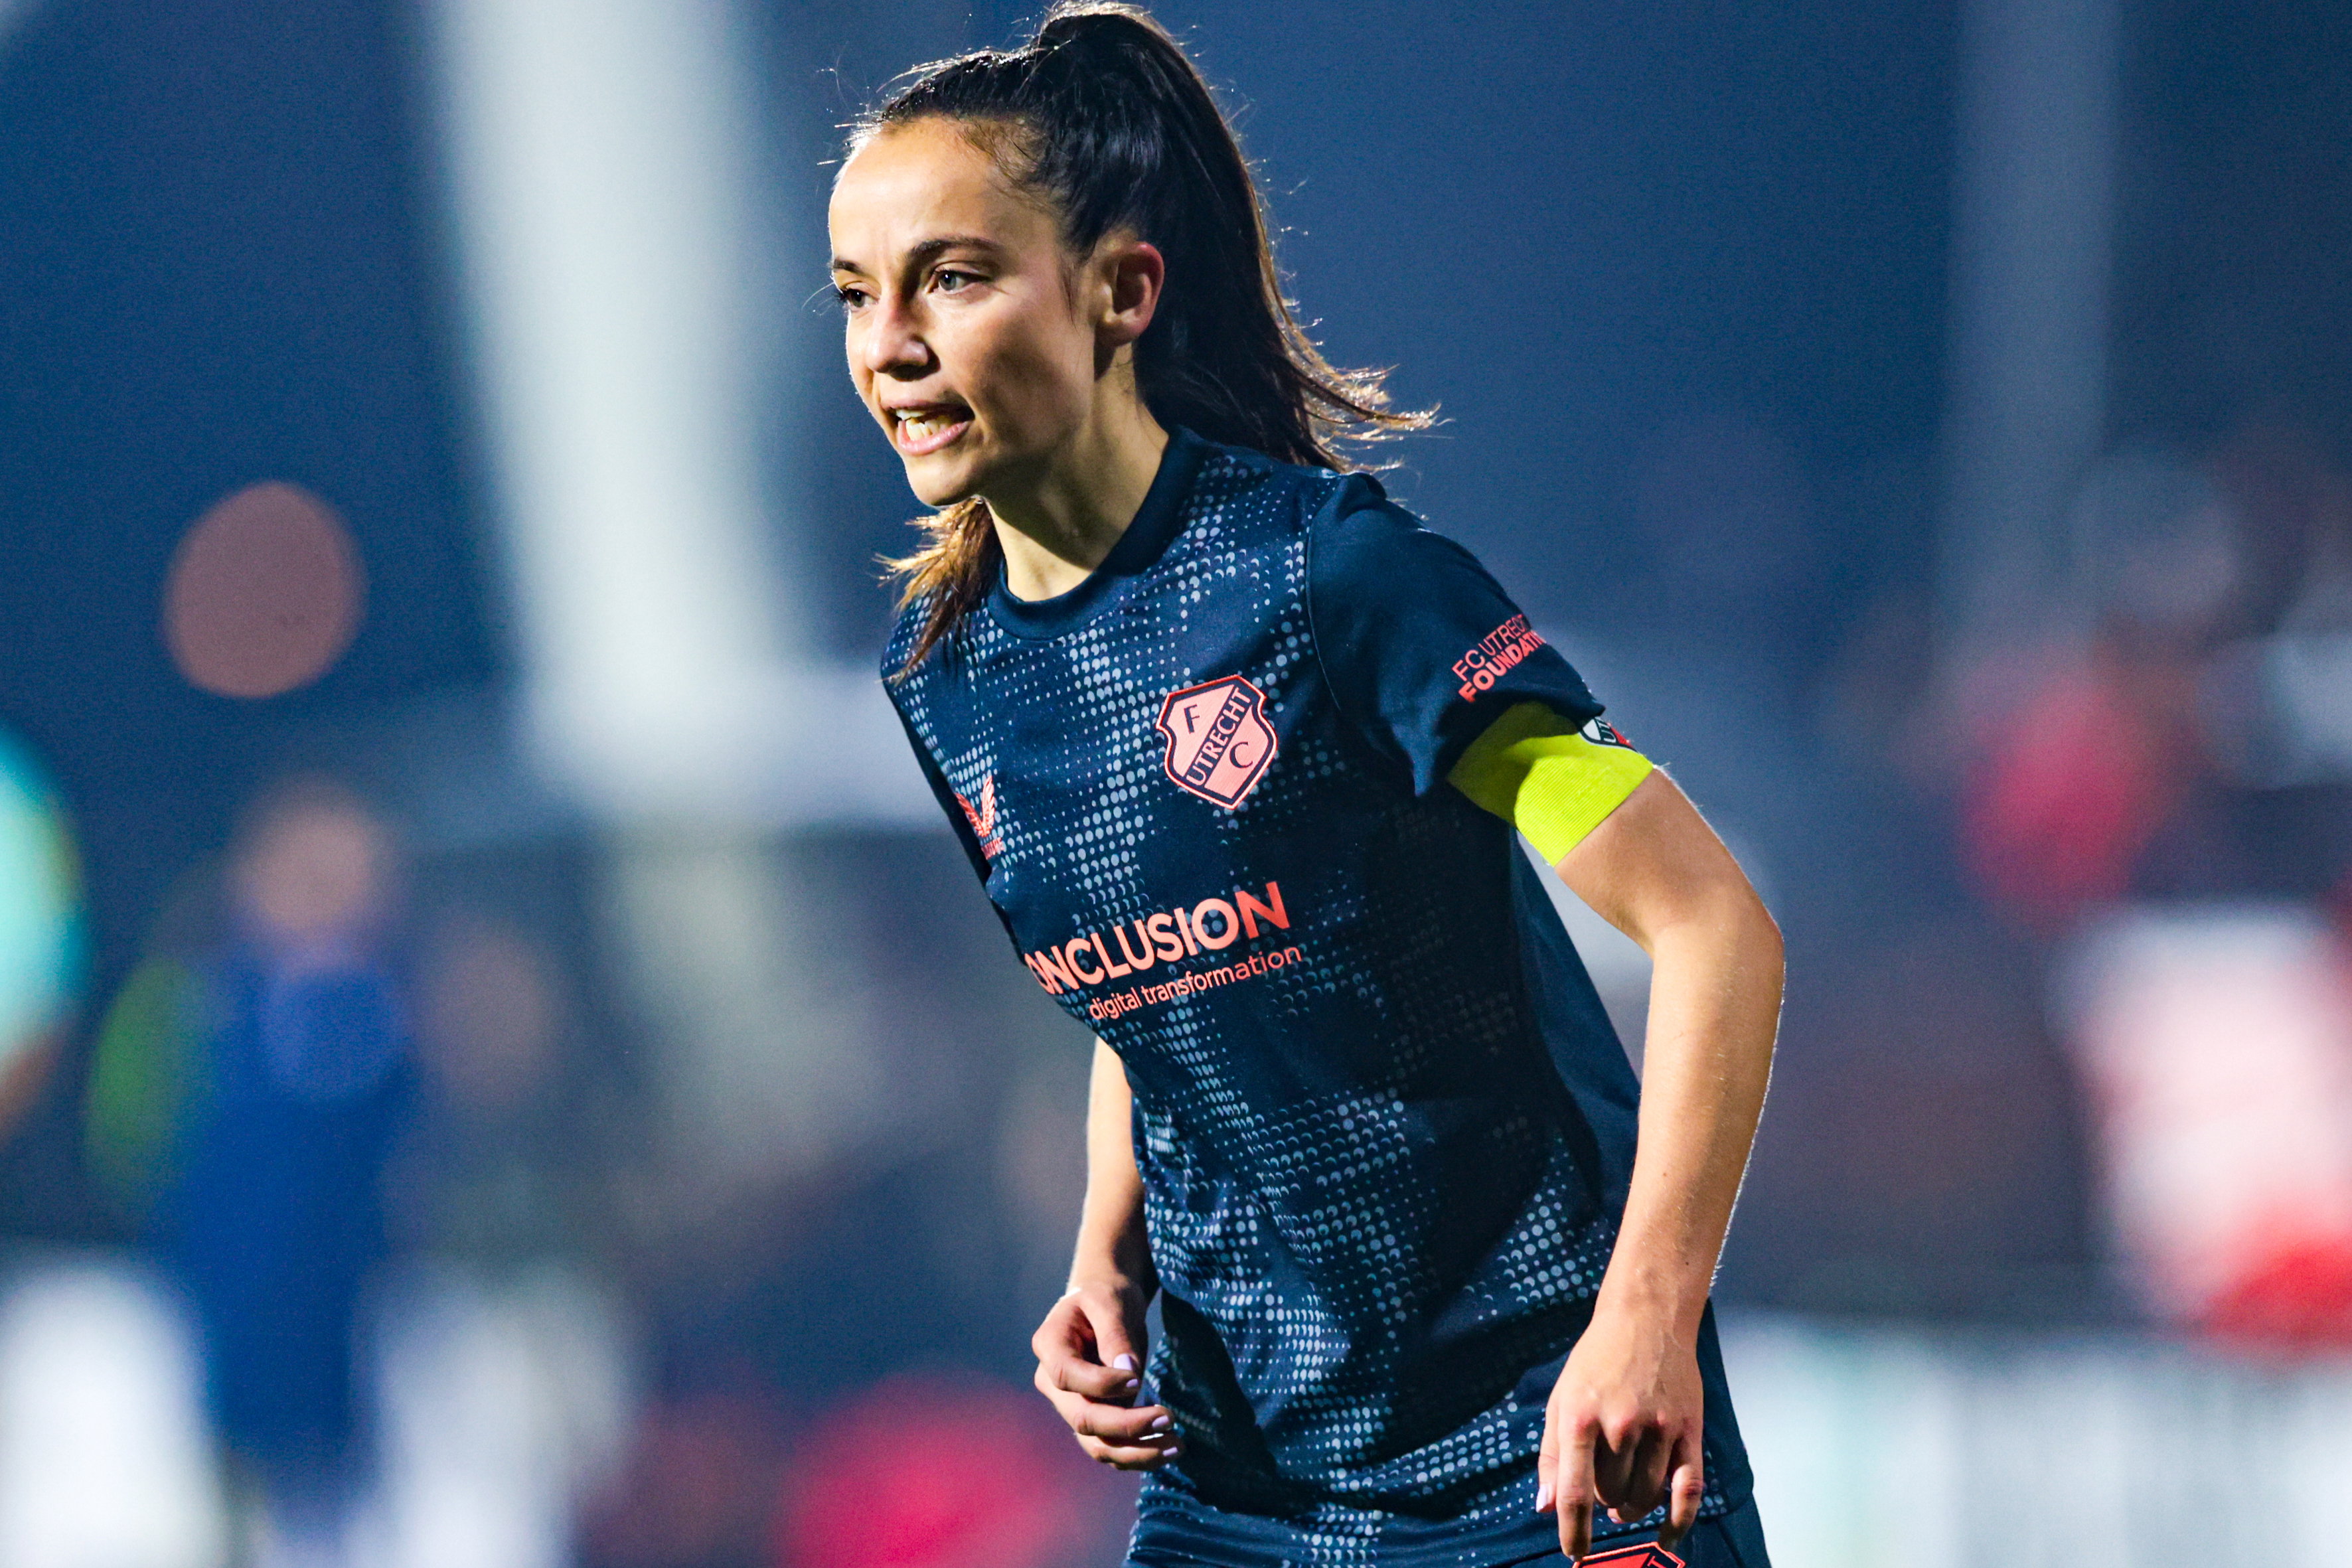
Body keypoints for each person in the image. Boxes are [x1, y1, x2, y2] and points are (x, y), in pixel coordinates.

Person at [828, 7, 1782, 1563]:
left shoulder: (1335, 579)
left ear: (1122, 289)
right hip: (1245, 1487)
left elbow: (1712, 929)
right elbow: (1158, 992)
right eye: (859, 295)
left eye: (952, 275)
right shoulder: (945, 677)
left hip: (1543, 1449)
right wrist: (1103, 1254)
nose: (890, 344)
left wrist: (1646, 1318)